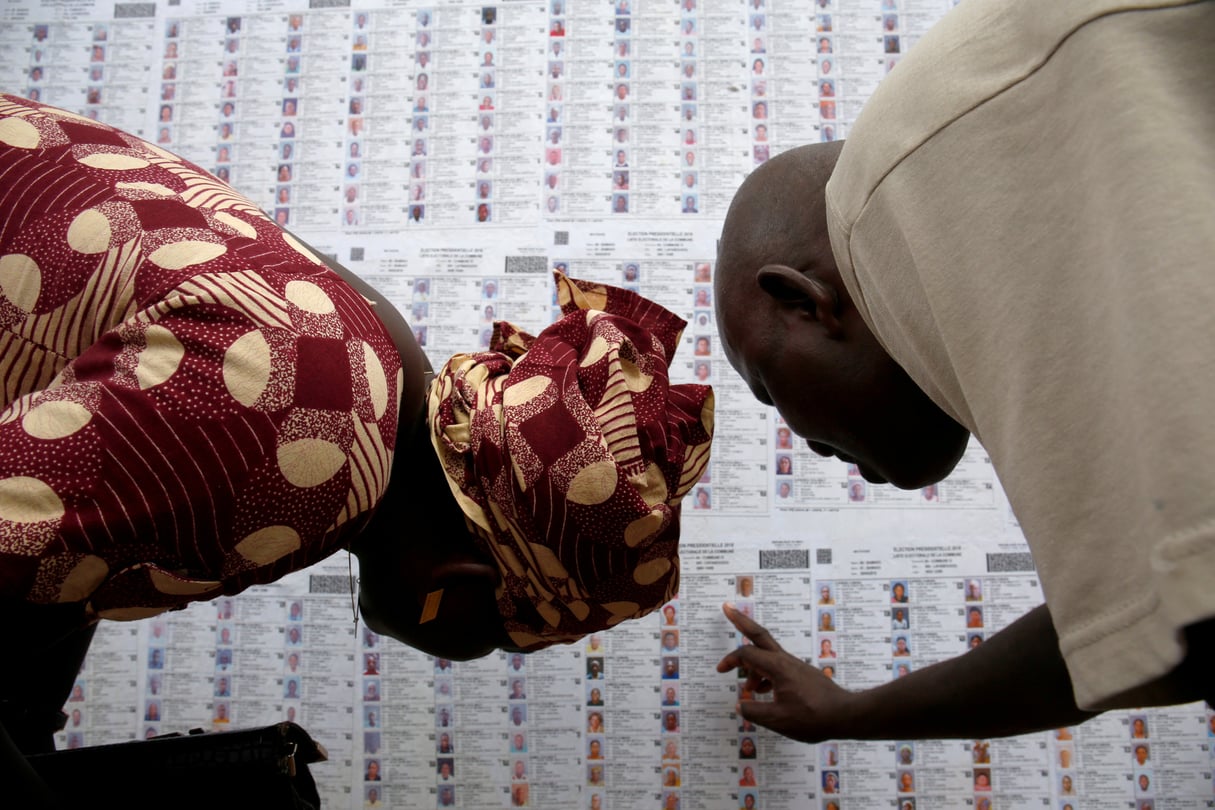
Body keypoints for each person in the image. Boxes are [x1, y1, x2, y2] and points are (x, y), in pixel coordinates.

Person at [0, 96, 716, 780]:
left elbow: (65, 531)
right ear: (456, 589)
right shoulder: (311, 459)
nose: (470, 654)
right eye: (502, 641)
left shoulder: (374, 357)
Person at [712, 0, 1214, 744]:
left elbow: (1191, 629)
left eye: (767, 387)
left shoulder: (929, 172)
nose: (803, 442)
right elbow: (1163, 606)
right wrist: (847, 714)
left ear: (804, 302)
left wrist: (850, 716)